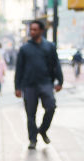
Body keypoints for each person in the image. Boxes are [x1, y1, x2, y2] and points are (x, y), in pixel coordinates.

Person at [14, 20, 64, 150]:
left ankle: (42, 130)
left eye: (35, 29)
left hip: (46, 82)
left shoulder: (49, 46)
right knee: (30, 115)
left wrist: (60, 81)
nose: (32, 32)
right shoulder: (24, 48)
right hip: (29, 85)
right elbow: (19, 68)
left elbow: (56, 64)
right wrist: (17, 87)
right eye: (31, 29)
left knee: (51, 107)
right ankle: (32, 140)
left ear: (41, 31)